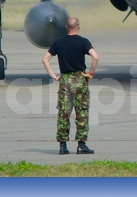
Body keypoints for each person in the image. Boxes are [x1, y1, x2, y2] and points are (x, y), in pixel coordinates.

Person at [42, 16, 99, 155]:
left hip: (65, 80)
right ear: (78, 26)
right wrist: (91, 73)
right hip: (80, 79)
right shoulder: (84, 42)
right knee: (82, 113)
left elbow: (45, 59)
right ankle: (81, 145)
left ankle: (62, 146)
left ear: (67, 27)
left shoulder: (58, 43)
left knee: (64, 113)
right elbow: (95, 57)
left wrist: (55, 76)